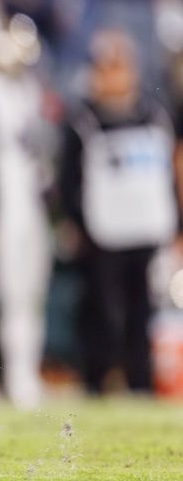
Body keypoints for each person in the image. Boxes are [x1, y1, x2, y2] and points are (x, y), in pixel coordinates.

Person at [60, 30, 180, 394]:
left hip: (146, 228)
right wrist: (75, 221)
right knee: (99, 308)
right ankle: (98, 379)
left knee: (142, 310)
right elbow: (70, 178)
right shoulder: (82, 120)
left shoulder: (155, 115)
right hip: (103, 229)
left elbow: (170, 171)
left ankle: (140, 381)